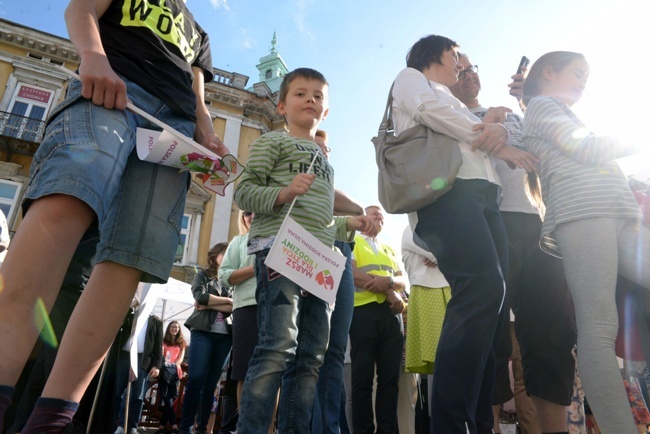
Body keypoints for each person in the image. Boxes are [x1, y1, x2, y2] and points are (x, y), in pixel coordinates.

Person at [0, 1, 226, 433]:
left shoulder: (199, 32)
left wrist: (207, 131)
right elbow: (81, 8)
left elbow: (197, 90)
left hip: (173, 129)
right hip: (112, 87)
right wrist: (93, 57)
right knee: (69, 199)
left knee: (129, 259)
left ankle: (53, 419)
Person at [390, 34, 537, 434]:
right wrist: (489, 133)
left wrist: (494, 131)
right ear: (436, 53)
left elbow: (470, 131)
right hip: (448, 197)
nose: (462, 66)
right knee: (481, 290)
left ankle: (477, 423)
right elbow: (429, 111)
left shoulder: (451, 99)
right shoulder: (411, 78)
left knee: (491, 307)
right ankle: (451, 425)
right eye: (457, 57)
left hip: (485, 196)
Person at [233, 67, 375, 434]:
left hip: (319, 260)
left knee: (312, 356)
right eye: (300, 93)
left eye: (318, 96)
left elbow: (322, 221)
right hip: (279, 249)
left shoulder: (326, 163)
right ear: (281, 105)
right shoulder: (271, 142)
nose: (310, 99)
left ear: (325, 111)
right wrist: (282, 193)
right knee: (278, 347)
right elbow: (244, 193)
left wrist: (350, 224)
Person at [448, 52, 579, 434]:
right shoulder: (442, 116)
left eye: (472, 67)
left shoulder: (514, 111)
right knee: (488, 339)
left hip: (539, 226)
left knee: (551, 333)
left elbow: (546, 142)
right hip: (488, 227)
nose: (468, 73)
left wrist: (530, 102)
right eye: (458, 68)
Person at [521, 51, 649, 434]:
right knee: (599, 325)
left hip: (618, 212)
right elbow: (584, 148)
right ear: (548, 72)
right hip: (581, 214)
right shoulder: (540, 105)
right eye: (577, 74)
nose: (582, 83)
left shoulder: (558, 110)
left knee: (600, 324)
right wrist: (637, 136)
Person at [311, 129, 364, 434]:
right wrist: (357, 210)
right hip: (305, 250)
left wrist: (353, 220)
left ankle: (329, 428)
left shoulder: (332, 194)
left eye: (326, 150)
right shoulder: (295, 171)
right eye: (316, 148)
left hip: (337, 253)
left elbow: (335, 219)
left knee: (333, 351)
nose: (322, 154)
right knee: (308, 352)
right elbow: (321, 200)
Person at [218, 210, 278, 433]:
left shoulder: (278, 238)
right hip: (246, 307)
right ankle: (246, 427)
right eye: (247, 213)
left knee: (272, 372)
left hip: (275, 307)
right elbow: (224, 275)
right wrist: (257, 267)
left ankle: (269, 429)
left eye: (257, 212)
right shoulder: (239, 242)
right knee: (244, 370)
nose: (252, 216)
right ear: (241, 218)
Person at [349, 205, 406, 434]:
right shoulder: (353, 241)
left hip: (392, 318)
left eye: (381, 214)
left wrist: (391, 284)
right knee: (362, 380)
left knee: (390, 381)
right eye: (374, 213)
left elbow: (403, 279)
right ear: (363, 218)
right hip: (363, 313)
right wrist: (389, 290)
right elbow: (351, 274)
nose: (379, 216)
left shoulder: (390, 249)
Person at [180, 242, 233, 434]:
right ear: (215, 255)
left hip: (225, 336)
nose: (228, 256)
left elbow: (235, 307)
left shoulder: (231, 279)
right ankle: (185, 427)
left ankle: (201, 429)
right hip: (202, 331)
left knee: (211, 384)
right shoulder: (203, 275)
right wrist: (227, 301)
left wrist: (214, 303)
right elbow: (200, 298)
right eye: (224, 253)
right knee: (195, 378)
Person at [113, 313, 163, 434]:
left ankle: (132, 426)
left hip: (143, 360)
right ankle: (116, 423)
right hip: (124, 356)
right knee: (118, 392)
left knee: (138, 394)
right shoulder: (129, 315)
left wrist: (156, 365)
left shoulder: (156, 322)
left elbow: (158, 345)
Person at [156, 321, 186, 434]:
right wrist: (166, 364)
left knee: (171, 400)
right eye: (173, 327)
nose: (175, 329)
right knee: (167, 399)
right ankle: (174, 426)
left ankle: (161, 427)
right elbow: (161, 355)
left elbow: (181, 358)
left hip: (175, 373)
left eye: (177, 327)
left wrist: (174, 364)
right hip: (164, 372)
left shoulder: (181, 343)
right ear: (169, 328)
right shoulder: (163, 341)